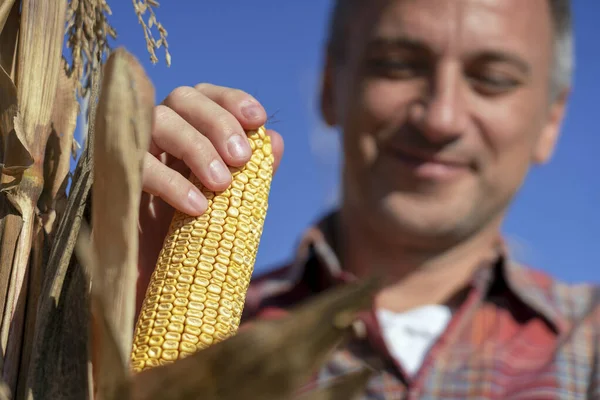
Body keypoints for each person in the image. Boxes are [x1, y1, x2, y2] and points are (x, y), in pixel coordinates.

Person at [137, 0, 599, 397]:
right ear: (330, 89)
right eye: (398, 65)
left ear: (552, 120)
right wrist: (110, 320)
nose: (441, 118)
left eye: (493, 78)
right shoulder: (225, 333)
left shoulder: (590, 347)